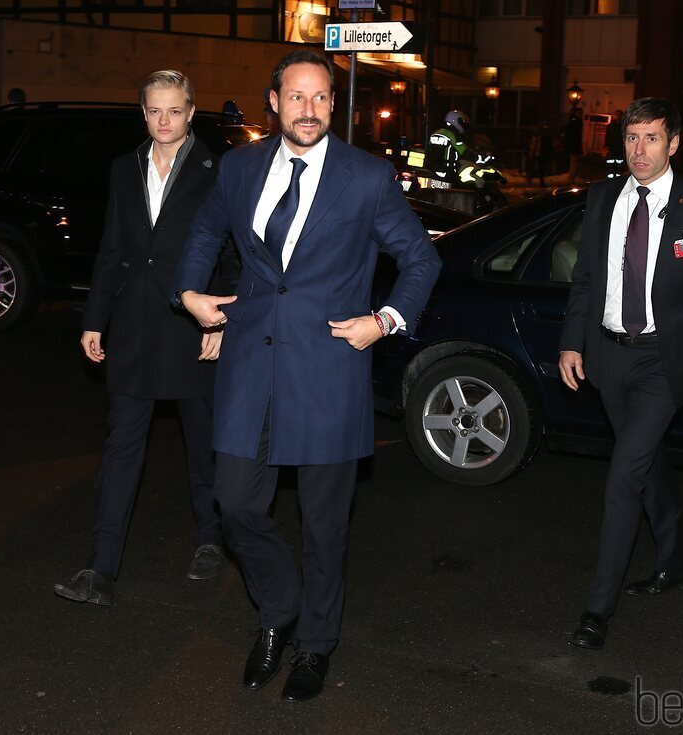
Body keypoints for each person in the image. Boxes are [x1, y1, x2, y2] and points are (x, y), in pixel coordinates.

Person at [172, 50, 441, 702]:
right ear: (274, 102)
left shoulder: (366, 178)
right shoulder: (237, 168)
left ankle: (316, 645)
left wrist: (386, 320)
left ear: (332, 105)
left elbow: (420, 260)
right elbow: (207, 229)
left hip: (328, 370)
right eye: (297, 97)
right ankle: (279, 606)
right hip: (250, 366)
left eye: (321, 98)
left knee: (324, 527)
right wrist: (190, 291)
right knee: (234, 502)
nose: (310, 109)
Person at [558, 97, 683, 650]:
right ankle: (677, 561)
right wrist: (571, 342)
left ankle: (597, 610)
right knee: (647, 461)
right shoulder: (600, 198)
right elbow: (586, 278)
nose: (639, 150)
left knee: (623, 476)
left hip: (666, 362)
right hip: (609, 354)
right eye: (631, 139)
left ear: (674, 143)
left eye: (652, 139)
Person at [53, 70, 235, 605]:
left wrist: (221, 322)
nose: (164, 121)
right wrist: (94, 318)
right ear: (143, 112)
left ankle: (210, 538)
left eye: (174, 111)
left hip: (191, 324)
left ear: (191, 112)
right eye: (154, 110)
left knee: (202, 446)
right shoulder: (123, 168)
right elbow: (112, 249)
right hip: (132, 328)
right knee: (120, 449)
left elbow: (230, 253)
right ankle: (100, 568)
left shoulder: (217, 171)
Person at [563, 109, 584, 183]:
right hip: (574, 145)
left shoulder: (572, 121)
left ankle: (571, 177)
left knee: (574, 162)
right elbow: (576, 136)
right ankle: (571, 178)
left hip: (573, 145)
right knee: (574, 162)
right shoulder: (577, 122)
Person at [605, 109, 625, 179]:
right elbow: (607, 135)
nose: (618, 116)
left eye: (619, 115)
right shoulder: (611, 125)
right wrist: (606, 145)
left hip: (619, 147)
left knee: (619, 164)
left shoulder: (624, 126)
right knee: (610, 163)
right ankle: (610, 178)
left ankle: (617, 178)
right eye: (617, 115)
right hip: (612, 146)